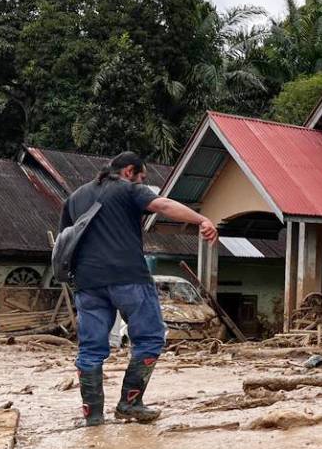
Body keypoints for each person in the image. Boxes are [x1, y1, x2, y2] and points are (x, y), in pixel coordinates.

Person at [61, 152, 218, 427]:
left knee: (90, 349)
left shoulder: (75, 198)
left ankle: (93, 417)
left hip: (87, 282)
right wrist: (201, 220)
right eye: (143, 177)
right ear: (130, 171)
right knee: (150, 337)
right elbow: (164, 206)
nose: (143, 182)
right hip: (128, 277)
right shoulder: (127, 187)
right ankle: (130, 403)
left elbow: (65, 239)